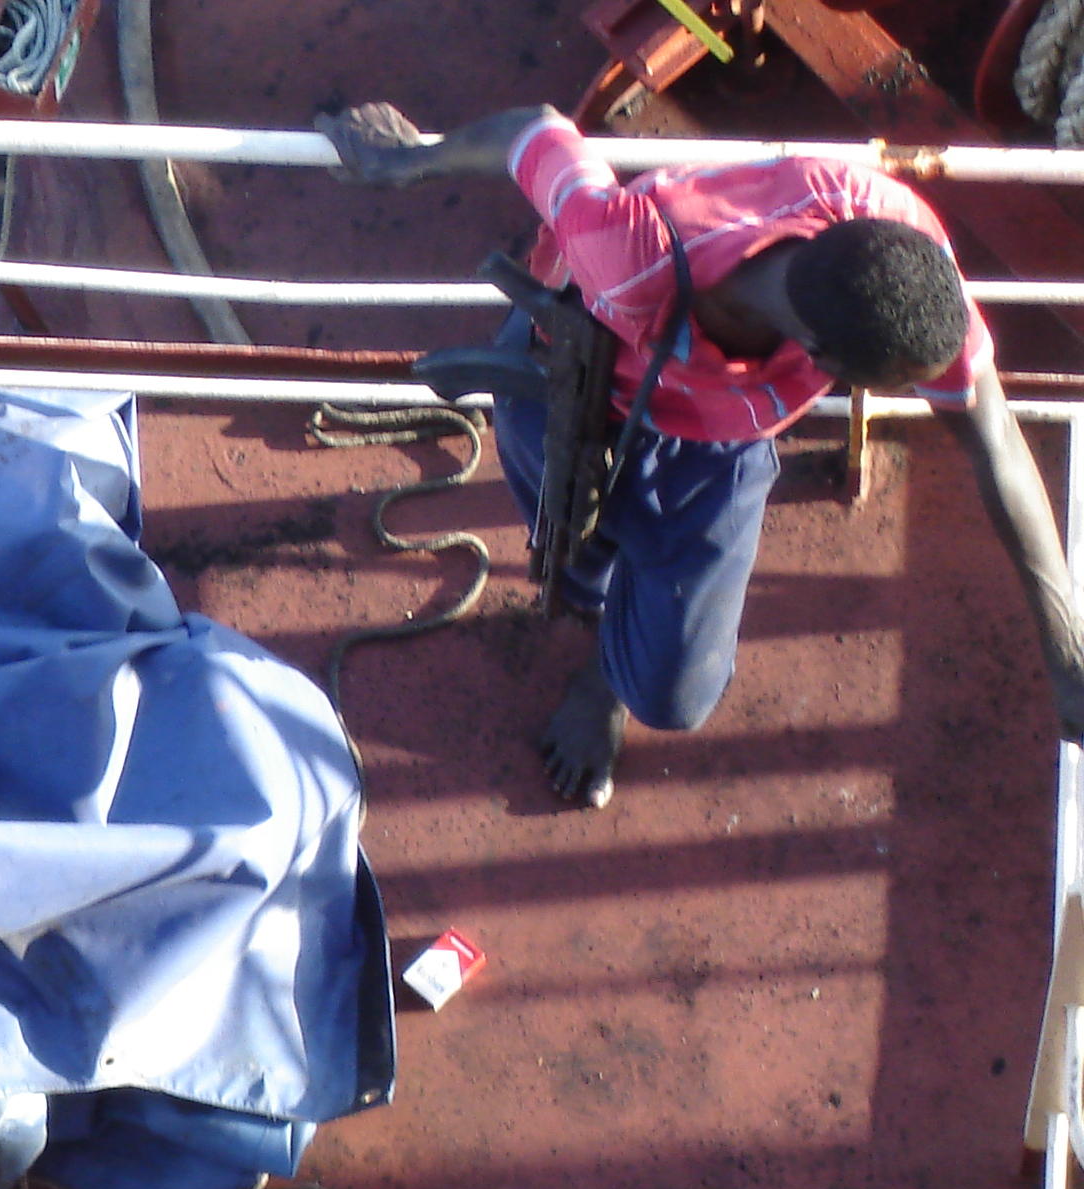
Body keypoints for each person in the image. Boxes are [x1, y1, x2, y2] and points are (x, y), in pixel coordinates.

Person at [317, 100, 1084, 808]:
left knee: (673, 696)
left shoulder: (898, 247)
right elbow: (536, 132)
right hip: (569, 387)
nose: (934, 390)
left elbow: (995, 444)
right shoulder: (632, 254)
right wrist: (407, 160)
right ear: (818, 356)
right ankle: (595, 631)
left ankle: (613, 681)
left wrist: (1064, 649)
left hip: (717, 441)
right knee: (572, 557)